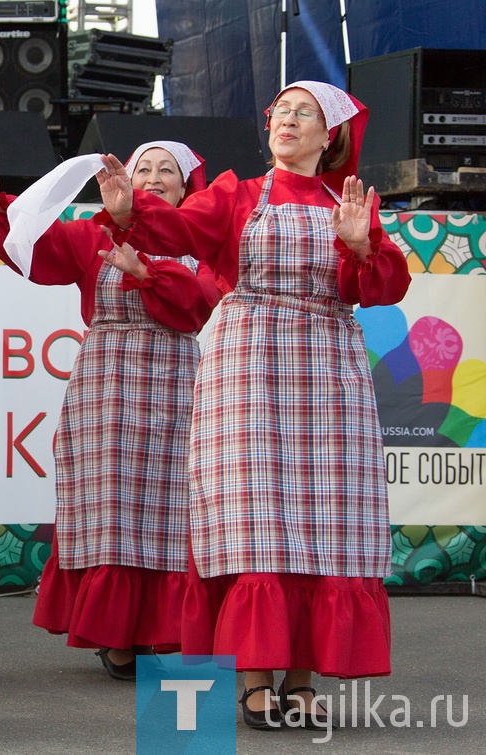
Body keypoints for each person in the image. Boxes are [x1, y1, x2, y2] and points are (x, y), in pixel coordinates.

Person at [94, 82, 410, 729]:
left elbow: (378, 284)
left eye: (306, 113)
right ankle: (254, 678)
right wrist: (133, 212)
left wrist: (359, 245)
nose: (288, 120)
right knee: (253, 512)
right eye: (281, 112)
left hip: (327, 370)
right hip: (249, 367)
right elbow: (181, 227)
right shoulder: (239, 195)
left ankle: (300, 678)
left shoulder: (348, 204)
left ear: (333, 137)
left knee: (326, 519)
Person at [0, 142, 221, 679]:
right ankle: (115, 633)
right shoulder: (94, 234)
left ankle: (159, 626)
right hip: (105, 381)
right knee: (109, 502)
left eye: (165, 172)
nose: (152, 178)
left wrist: (148, 272)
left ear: (185, 187)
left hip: (177, 378)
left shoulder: (202, 241)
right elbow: (37, 252)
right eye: (141, 169)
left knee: (172, 503)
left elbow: (201, 304)